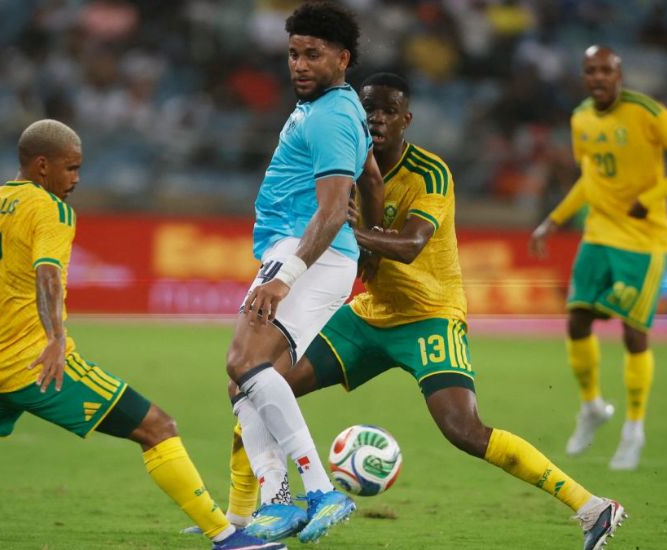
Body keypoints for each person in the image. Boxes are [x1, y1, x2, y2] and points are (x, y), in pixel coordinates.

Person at [222, 73, 627, 550]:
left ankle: (592, 507)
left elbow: (412, 244)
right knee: (259, 384)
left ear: (406, 120)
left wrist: (349, 233)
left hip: (429, 314)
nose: (376, 119)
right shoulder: (346, 166)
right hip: (369, 315)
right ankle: (242, 519)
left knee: (464, 430)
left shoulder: (430, 173)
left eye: (388, 111)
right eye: (368, 109)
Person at [0, 119, 283, 550]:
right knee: (157, 426)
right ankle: (227, 538)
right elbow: (48, 275)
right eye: (71, 168)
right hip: (36, 364)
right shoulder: (51, 210)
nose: (76, 179)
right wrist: (56, 339)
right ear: (42, 165)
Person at [223, 1, 384, 544]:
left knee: (244, 360)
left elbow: (334, 208)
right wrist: (370, 245)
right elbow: (372, 179)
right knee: (243, 380)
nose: (299, 64)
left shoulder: (332, 115)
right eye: (293, 53)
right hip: (313, 252)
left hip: (306, 251)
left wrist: (285, 275)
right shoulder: (334, 108)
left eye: (312, 54)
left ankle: (317, 490)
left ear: (342, 58)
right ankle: (277, 503)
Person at [530, 45, 667, 470]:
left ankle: (634, 428)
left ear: (619, 74)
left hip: (643, 241)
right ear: (584, 76)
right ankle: (592, 407)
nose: (598, 77)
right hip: (599, 235)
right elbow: (590, 179)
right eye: (591, 71)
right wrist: (553, 220)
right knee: (577, 319)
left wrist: (651, 198)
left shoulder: (649, 112)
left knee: (633, 335)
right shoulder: (581, 118)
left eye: (606, 70)